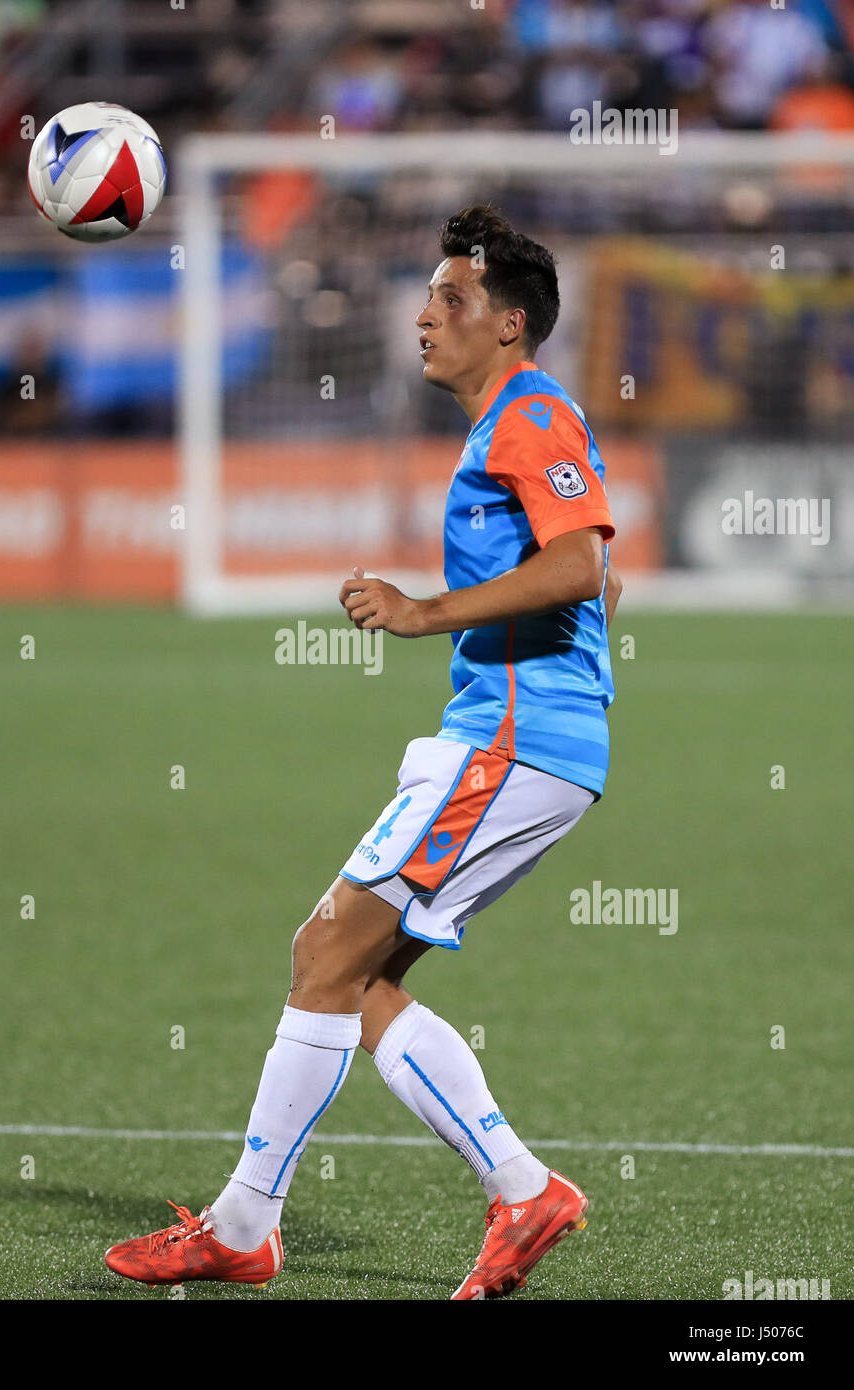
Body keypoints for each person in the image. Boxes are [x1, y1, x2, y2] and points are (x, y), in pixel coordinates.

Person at [105, 205, 622, 1300]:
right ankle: (520, 1190)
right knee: (359, 981)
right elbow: (597, 573)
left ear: (510, 325)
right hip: (517, 742)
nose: (425, 316)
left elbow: (581, 565)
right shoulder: (516, 420)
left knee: (321, 952)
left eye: (452, 301)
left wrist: (427, 612)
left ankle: (247, 1228)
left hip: (512, 745)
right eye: (428, 296)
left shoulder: (530, 413)